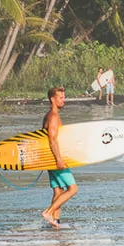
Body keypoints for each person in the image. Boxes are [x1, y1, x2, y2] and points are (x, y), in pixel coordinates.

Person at [41, 87, 77, 228]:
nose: (64, 100)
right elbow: (52, 140)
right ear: (52, 99)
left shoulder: (49, 115)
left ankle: (55, 222)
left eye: (64, 97)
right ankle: (49, 212)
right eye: (61, 98)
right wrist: (59, 159)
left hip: (49, 158)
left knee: (58, 190)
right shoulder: (53, 117)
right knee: (73, 189)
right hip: (55, 158)